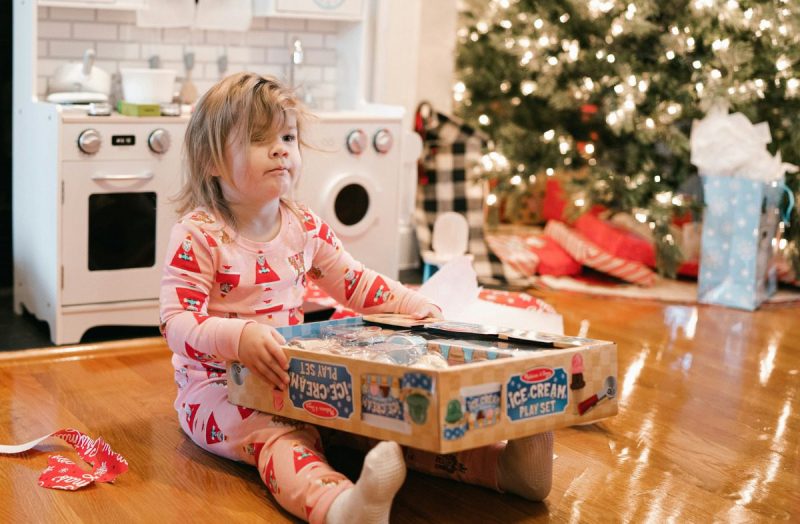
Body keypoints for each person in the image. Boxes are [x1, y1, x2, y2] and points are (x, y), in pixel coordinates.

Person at [159, 72, 553, 524]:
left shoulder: (303, 225)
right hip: (217, 390)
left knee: (382, 421)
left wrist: (410, 303)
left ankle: (505, 468)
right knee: (282, 439)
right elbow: (176, 323)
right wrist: (238, 336)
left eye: (287, 136)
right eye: (257, 138)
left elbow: (355, 282)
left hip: (294, 374)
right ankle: (341, 508)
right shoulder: (199, 234)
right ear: (211, 160)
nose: (281, 149)